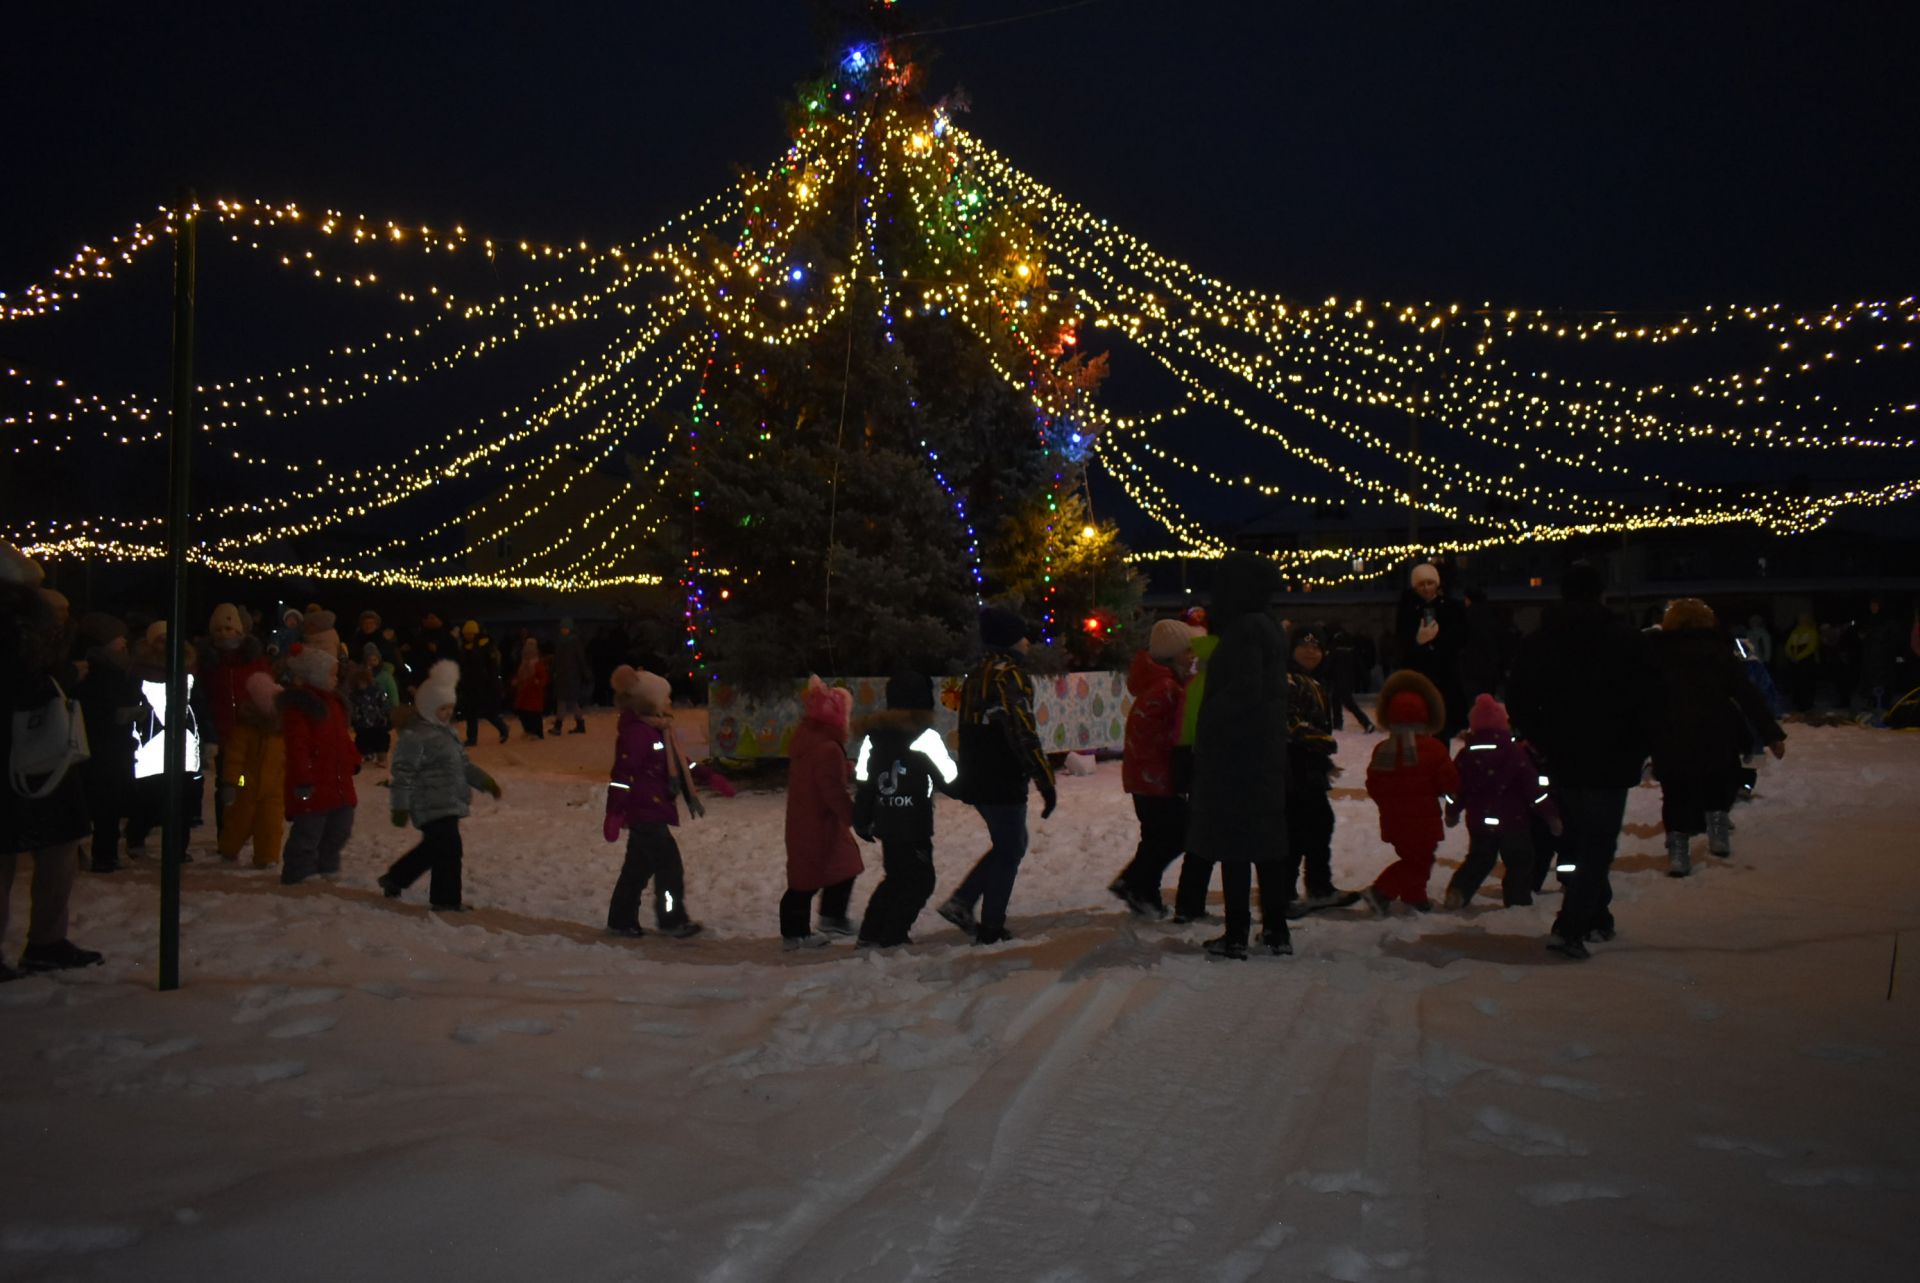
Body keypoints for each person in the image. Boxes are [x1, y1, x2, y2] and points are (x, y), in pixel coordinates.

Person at [1507, 561, 1658, 960]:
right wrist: (1642, 744)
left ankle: (1597, 916)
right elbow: (1649, 699)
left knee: (1580, 839)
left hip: (1563, 754)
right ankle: (1571, 926)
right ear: (1601, 593)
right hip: (1612, 755)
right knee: (1597, 844)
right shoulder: (1626, 640)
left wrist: (1541, 738)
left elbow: (1519, 697)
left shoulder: (1541, 640)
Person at [0, 545, 102, 979]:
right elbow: (21, 685)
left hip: (39, 750)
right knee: (38, 849)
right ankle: (45, 940)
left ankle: (47, 940)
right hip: (28, 748)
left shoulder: (27, 625)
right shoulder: (16, 626)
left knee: (54, 848)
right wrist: (63, 677)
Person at [1186, 553, 1292, 959]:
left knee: (1234, 844)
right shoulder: (1265, 624)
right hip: (1262, 751)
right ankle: (1276, 930)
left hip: (1237, 755)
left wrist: (1210, 722)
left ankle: (1236, 934)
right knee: (1266, 844)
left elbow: (1244, 690)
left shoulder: (1246, 628)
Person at [938, 605, 1057, 945]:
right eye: (1023, 637)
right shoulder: (1009, 675)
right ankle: (988, 923)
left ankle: (966, 904)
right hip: (1001, 775)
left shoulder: (978, 672)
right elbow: (1021, 731)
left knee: (1009, 845)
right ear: (1009, 641)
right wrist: (1044, 779)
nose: (1028, 643)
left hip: (979, 774)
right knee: (1010, 848)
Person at [1649, 599, 1786, 876]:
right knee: (1718, 781)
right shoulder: (1720, 652)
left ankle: (1678, 851)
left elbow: (1643, 697)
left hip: (1671, 732)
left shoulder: (1657, 653)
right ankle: (1718, 831)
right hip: (1716, 730)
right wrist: (1770, 732)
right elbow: (1746, 693)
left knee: (1675, 792)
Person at [380, 660, 501, 911]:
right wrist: (400, 806)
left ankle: (396, 878)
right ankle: (445, 900)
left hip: (449, 801)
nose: (447, 713)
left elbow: (464, 765)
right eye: (441, 708)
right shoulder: (415, 736)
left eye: (449, 708)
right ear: (427, 706)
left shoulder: (448, 733)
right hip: (427, 802)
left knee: (437, 849)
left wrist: (484, 781)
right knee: (447, 848)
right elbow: (403, 773)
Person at [852, 669, 958, 948]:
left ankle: (871, 932)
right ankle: (893, 935)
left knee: (896, 876)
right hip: (914, 823)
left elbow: (864, 780)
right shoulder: (926, 738)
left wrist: (861, 818)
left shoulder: (874, 737)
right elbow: (949, 777)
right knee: (921, 880)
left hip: (886, 820)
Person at [602, 665, 704, 939]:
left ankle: (621, 920)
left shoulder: (659, 729)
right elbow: (622, 775)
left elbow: (681, 763)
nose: (669, 701)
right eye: (665, 697)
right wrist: (614, 811)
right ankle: (672, 920)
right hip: (645, 812)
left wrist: (709, 776)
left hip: (653, 809)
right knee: (669, 867)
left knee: (637, 868)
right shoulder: (638, 733)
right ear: (649, 701)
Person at [1107, 618, 1195, 919]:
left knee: (1156, 836)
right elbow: (1178, 733)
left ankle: (1143, 891)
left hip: (1142, 777)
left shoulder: (1157, 684)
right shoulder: (1168, 689)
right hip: (1156, 778)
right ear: (1173, 654)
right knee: (1180, 833)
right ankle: (1135, 882)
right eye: (1187, 651)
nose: (1192, 656)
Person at [1443, 694, 1559, 908]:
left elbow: (1456, 789)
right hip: (1513, 822)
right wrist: (1550, 815)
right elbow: (1533, 789)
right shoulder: (1516, 754)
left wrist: (1452, 811)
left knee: (1479, 859)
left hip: (1479, 820)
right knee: (1520, 860)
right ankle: (1517, 900)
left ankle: (1459, 891)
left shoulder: (1465, 755)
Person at [1359, 670, 1460, 915]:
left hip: (1394, 820)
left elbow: (1373, 784)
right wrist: (1452, 798)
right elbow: (1449, 781)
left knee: (1413, 858)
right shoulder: (1434, 749)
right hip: (1423, 821)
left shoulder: (1383, 749)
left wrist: (1389, 804)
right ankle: (1380, 892)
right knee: (1419, 862)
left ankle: (1415, 897)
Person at [780, 677, 864, 950]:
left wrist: (845, 767)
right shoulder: (828, 748)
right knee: (806, 880)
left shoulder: (811, 740)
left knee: (842, 866)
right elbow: (833, 791)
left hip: (808, 819)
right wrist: (854, 817)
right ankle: (797, 933)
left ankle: (831, 917)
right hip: (819, 823)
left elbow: (817, 776)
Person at [1283, 625, 1360, 917]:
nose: (1310, 651)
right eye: (1304, 645)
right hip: (1292, 770)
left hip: (1308, 768)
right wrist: (1322, 742)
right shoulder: (1290, 680)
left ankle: (1319, 887)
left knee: (1319, 825)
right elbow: (1288, 723)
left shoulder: (1313, 681)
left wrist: (1323, 761)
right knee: (1295, 832)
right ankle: (1286, 893)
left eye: (1316, 647)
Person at [279, 642, 359, 886]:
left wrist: (353, 758)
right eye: (332, 674)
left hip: (338, 781)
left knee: (340, 827)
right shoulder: (301, 709)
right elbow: (297, 747)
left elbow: (342, 738)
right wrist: (303, 778)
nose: (336, 678)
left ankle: (327, 865)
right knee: (308, 832)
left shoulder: (334, 704)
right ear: (316, 677)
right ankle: (298, 873)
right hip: (313, 783)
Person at [72, 611, 137, 873]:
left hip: (116, 743)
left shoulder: (121, 666)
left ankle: (104, 851)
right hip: (100, 744)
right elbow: (92, 707)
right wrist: (117, 715)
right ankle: (103, 854)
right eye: (116, 637)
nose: (123, 641)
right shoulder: (94, 669)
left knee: (107, 801)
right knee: (102, 801)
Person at [1169, 606, 1221, 922]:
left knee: (1204, 837)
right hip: (1211, 762)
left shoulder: (1197, 678)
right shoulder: (1216, 675)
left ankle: (1189, 903)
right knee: (1210, 837)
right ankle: (1189, 905)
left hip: (1194, 760)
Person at [203, 602, 269, 837]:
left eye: (229, 629)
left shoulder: (252, 659)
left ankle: (244, 823)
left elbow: (264, 689)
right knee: (225, 781)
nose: (224, 634)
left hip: (248, 730)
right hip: (221, 731)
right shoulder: (208, 662)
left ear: (239, 631)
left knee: (244, 780)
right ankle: (227, 828)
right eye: (219, 630)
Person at [217, 672, 286, 867]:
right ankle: (229, 848)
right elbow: (234, 758)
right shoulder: (245, 731)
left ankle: (267, 857)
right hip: (245, 782)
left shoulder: (281, 733)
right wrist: (232, 782)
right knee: (239, 820)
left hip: (273, 787)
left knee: (270, 825)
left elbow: (285, 760)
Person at [1396, 562, 1469, 739]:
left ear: (1437, 583)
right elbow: (1401, 644)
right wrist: (1418, 641)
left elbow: (1462, 638)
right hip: (1418, 677)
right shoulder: (1407, 610)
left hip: (1446, 677)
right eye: (1421, 584)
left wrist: (1439, 640)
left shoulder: (1452, 608)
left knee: (1442, 731)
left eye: (1430, 582)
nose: (1426, 588)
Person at [456, 620, 510, 746]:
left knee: (488, 712)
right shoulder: (464, 647)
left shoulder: (485, 646)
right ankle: (472, 738)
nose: (468, 636)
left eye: (470, 634)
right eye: (466, 634)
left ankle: (503, 728)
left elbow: (492, 667)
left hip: (484, 685)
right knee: (471, 713)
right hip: (470, 684)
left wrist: (492, 682)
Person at [348, 646, 395, 767]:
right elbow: (353, 707)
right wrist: (356, 718)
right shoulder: (355, 694)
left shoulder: (377, 690)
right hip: (363, 723)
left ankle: (382, 758)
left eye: (363, 682)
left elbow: (384, 702)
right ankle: (366, 754)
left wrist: (384, 714)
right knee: (363, 740)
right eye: (359, 683)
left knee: (381, 741)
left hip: (378, 721)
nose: (361, 685)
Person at [1324, 624, 1374, 733]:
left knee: (1346, 702)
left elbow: (1328, 665)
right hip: (1349, 679)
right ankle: (1338, 724)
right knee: (1337, 700)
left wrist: (1326, 676)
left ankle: (1366, 723)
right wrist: (1364, 678)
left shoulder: (1334, 648)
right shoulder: (1351, 648)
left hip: (1337, 679)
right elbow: (1359, 665)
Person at [551, 618, 590, 735]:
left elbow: (580, 659)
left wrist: (584, 673)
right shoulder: (563, 641)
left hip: (570, 676)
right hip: (566, 676)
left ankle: (558, 727)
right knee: (571, 701)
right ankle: (579, 724)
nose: (564, 630)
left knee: (564, 701)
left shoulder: (572, 642)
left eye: (566, 628)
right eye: (562, 628)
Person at [509, 637, 550, 740]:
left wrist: (538, 682)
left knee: (534, 714)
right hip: (524, 692)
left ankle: (536, 733)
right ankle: (529, 731)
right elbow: (519, 676)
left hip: (534, 693)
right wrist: (516, 681)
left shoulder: (537, 664)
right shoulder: (523, 664)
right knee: (524, 713)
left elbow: (543, 678)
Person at [1783, 613, 1820, 711]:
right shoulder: (1795, 632)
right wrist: (1791, 656)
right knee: (1796, 682)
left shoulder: (1811, 631)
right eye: (1799, 618)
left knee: (1806, 683)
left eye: (1802, 618)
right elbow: (1788, 645)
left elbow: (1811, 647)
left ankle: (1807, 704)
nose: (1800, 620)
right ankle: (1798, 702)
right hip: (1795, 662)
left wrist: (1798, 657)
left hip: (1806, 662)